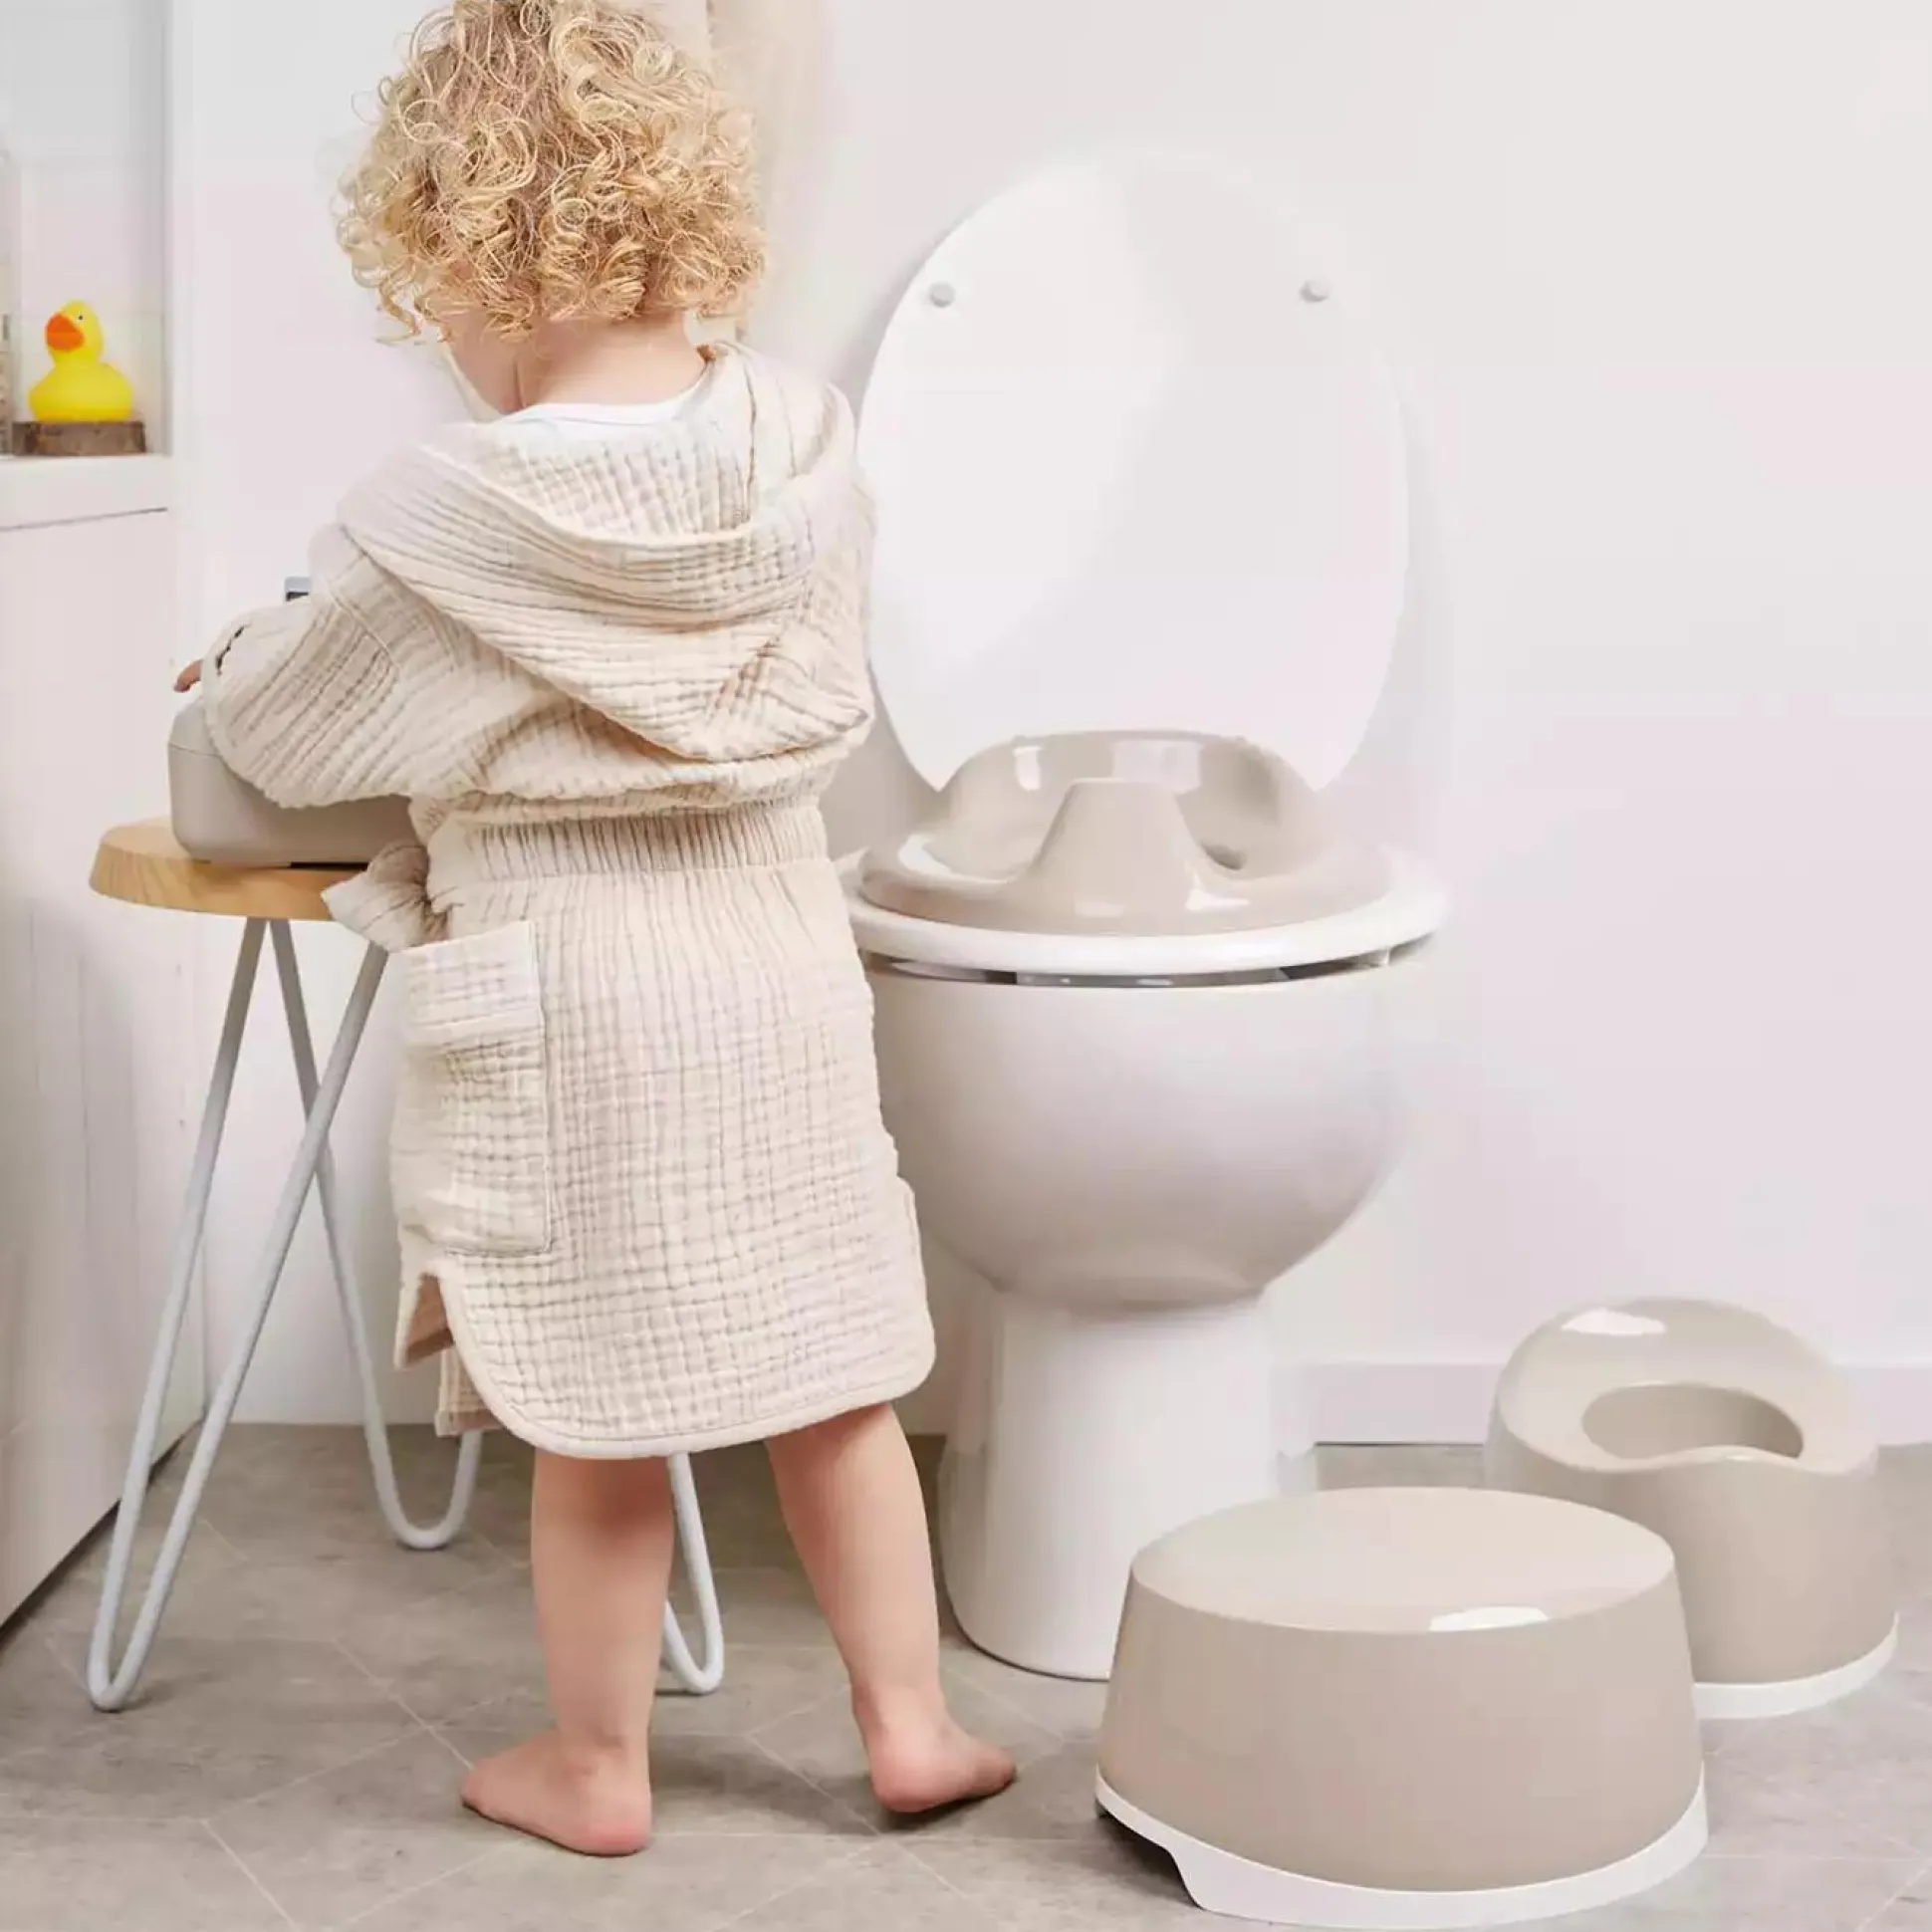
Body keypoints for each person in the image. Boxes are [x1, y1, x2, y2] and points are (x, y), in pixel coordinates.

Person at [177, 0, 1014, 1858]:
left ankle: (596, 1765)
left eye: (437, 303)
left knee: (598, 1403)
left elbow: (288, 737)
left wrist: (237, 657)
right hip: (774, 965)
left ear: (478, 253)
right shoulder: (804, 446)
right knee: (833, 1376)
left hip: (571, 990)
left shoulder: (442, 512)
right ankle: (912, 1727)